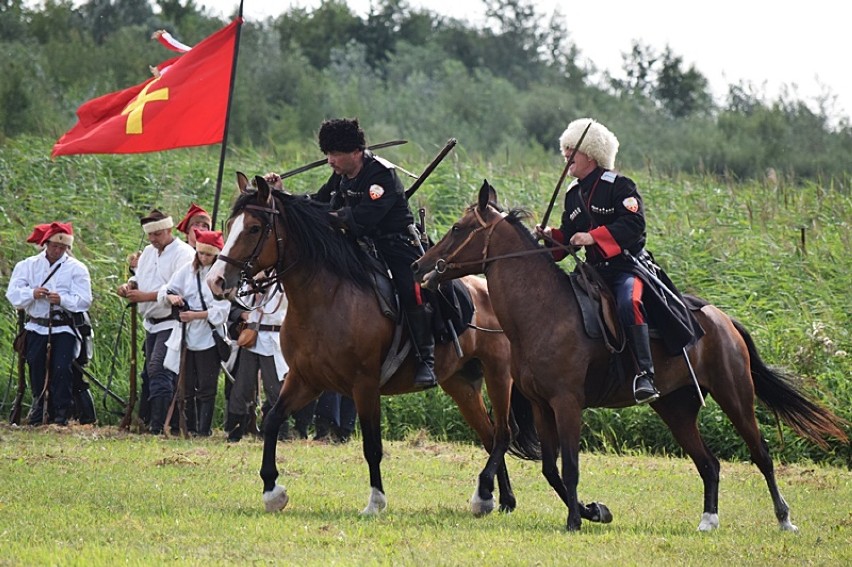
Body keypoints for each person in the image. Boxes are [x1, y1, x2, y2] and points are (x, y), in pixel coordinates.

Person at [537, 118, 700, 404]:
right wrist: (551, 236)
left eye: (572, 151)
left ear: (590, 154)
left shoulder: (620, 185)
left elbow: (634, 225)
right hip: (592, 272)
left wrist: (593, 237)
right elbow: (567, 239)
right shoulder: (573, 194)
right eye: (565, 150)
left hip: (627, 267)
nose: (566, 156)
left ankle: (645, 375)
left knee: (629, 302)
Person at [268, 117, 436, 388]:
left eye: (335, 154)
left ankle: (425, 359)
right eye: (327, 154)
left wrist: (332, 218)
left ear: (356, 152)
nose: (330, 161)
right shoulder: (340, 175)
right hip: (360, 246)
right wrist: (282, 195)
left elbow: (363, 219)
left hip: (396, 245)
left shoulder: (381, 175)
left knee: (411, 289)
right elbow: (317, 203)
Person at [6, 222, 93, 425]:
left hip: (64, 327)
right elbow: (13, 294)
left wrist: (62, 300)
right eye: (54, 246)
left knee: (62, 368)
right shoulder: (27, 265)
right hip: (36, 325)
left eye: (62, 247)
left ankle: (61, 414)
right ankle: (41, 406)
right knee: (36, 366)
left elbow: (84, 300)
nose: (58, 250)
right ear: (46, 243)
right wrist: (32, 294)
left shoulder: (77, 268)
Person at [117, 209, 195, 433]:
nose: (153, 239)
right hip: (152, 321)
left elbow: (176, 288)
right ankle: (153, 421)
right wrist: (130, 286)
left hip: (172, 321)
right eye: (150, 235)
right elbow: (141, 277)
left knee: (159, 369)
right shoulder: (150, 253)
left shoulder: (184, 253)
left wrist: (144, 296)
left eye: (158, 234)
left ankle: (159, 426)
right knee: (151, 372)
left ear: (169, 230)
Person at [159, 229, 231, 436]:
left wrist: (196, 316)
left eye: (208, 254)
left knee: (207, 386)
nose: (203, 257)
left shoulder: (222, 277)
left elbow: (222, 311)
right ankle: (188, 427)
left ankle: (203, 430)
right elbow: (168, 289)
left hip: (208, 337)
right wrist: (172, 298)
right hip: (187, 337)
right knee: (186, 386)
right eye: (201, 253)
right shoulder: (186, 271)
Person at [225, 282, 288, 442]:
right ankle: (235, 431)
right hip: (252, 338)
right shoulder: (250, 283)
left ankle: (278, 431)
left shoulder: (282, 284)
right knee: (242, 387)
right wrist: (255, 286)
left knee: (274, 388)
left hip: (273, 339)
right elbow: (237, 301)